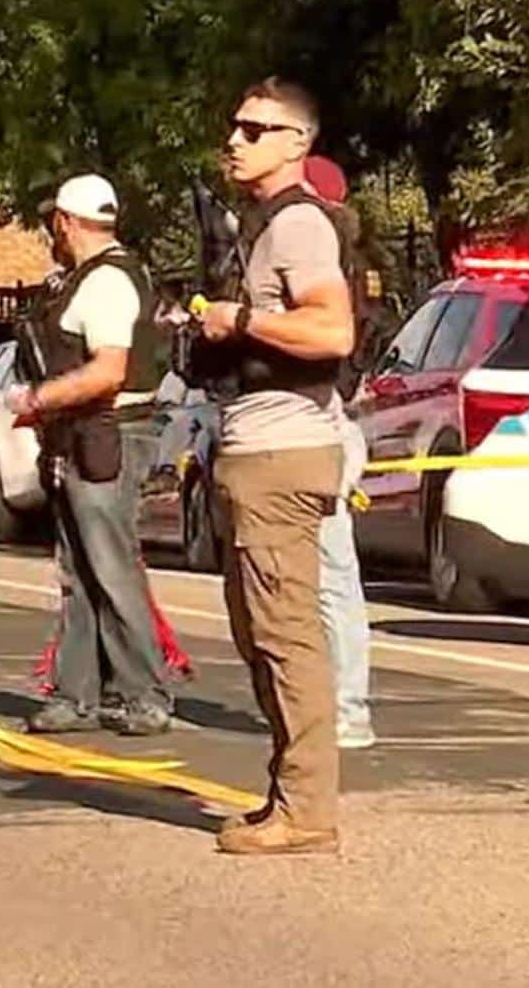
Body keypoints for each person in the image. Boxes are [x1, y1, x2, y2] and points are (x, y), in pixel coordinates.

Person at [195, 78, 354, 855]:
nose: (235, 139)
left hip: (282, 452)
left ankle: (308, 811)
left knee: (285, 635)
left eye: (255, 129)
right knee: (259, 632)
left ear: (297, 143)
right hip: (254, 446)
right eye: (235, 125)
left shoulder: (298, 226)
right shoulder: (264, 227)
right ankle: (286, 796)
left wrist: (245, 320)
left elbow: (332, 332)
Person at [11, 175, 174, 737]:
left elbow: (107, 371)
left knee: (109, 565)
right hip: (85, 435)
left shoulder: (106, 282)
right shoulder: (97, 277)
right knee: (79, 569)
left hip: (107, 434)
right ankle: (76, 693)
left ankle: (144, 694)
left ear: (65, 222)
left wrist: (37, 399)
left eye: (52, 222)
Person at [302, 154, 376, 750]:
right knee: (317, 580)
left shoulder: (324, 262)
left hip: (322, 424)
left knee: (331, 577)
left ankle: (347, 709)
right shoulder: (339, 259)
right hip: (322, 423)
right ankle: (328, 704)